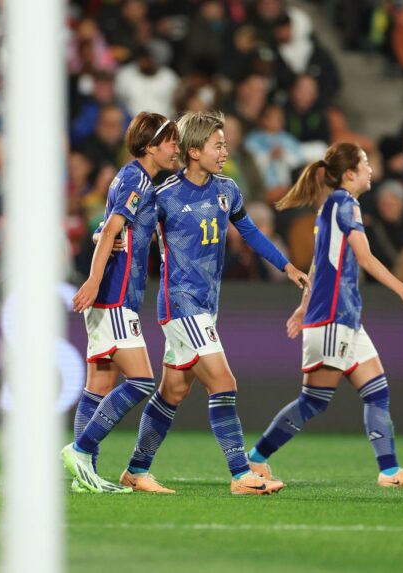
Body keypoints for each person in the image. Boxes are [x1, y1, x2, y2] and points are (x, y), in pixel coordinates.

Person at [120, 110, 310, 495]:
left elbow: (250, 231)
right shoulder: (164, 195)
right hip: (180, 303)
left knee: (173, 391)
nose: (225, 151)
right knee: (223, 382)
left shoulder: (227, 189)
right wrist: (107, 245)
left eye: (225, 144)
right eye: (217, 145)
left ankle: (135, 471)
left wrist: (287, 266)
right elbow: (131, 233)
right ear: (193, 151)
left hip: (207, 305)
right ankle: (242, 474)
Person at [244, 142, 403, 489]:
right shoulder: (346, 203)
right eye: (365, 164)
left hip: (344, 317)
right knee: (313, 402)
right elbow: (364, 258)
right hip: (333, 317)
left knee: (377, 391)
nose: (371, 170)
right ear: (350, 174)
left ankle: (390, 472)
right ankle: (255, 460)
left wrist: (303, 307)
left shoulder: (332, 206)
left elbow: (320, 261)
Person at [61, 112, 180, 494]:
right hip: (113, 295)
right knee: (143, 380)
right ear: (150, 147)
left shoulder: (134, 178)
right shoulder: (135, 178)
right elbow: (111, 226)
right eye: (170, 142)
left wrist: (101, 239)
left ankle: (85, 476)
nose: (176, 148)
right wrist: (95, 282)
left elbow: (107, 228)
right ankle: (81, 450)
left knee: (98, 384)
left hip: (115, 294)